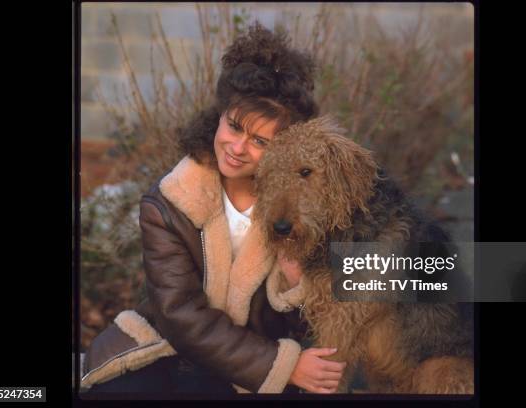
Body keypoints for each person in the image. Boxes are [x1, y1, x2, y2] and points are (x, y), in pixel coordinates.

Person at [81, 21, 347, 396]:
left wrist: (295, 279)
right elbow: (180, 316)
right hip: (170, 347)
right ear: (219, 116)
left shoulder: (303, 209)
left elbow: (327, 311)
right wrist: (283, 367)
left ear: (285, 147)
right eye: (234, 127)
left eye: (259, 140)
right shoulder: (168, 202)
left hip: (254, 361)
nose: (238, 148)